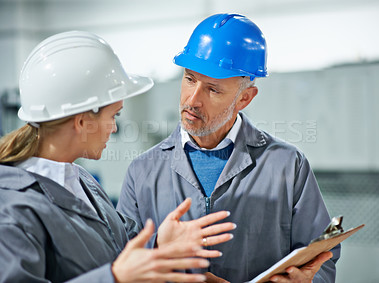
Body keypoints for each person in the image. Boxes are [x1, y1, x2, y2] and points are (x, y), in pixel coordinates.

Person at [117, 13, 340, 283]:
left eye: (213, 89)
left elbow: (321, 261)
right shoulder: (143, 171)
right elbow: (121, 259)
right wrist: (159, 248)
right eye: (189, 79)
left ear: (244, 98)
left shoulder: (287, 166)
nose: (193, 99)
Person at [0, 31, 236, 283]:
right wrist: (114, 278)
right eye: (114, 115)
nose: (113, 128)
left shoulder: (79, 179)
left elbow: (118, 245)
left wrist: (158, 244)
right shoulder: (11, 210)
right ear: (81, 121)